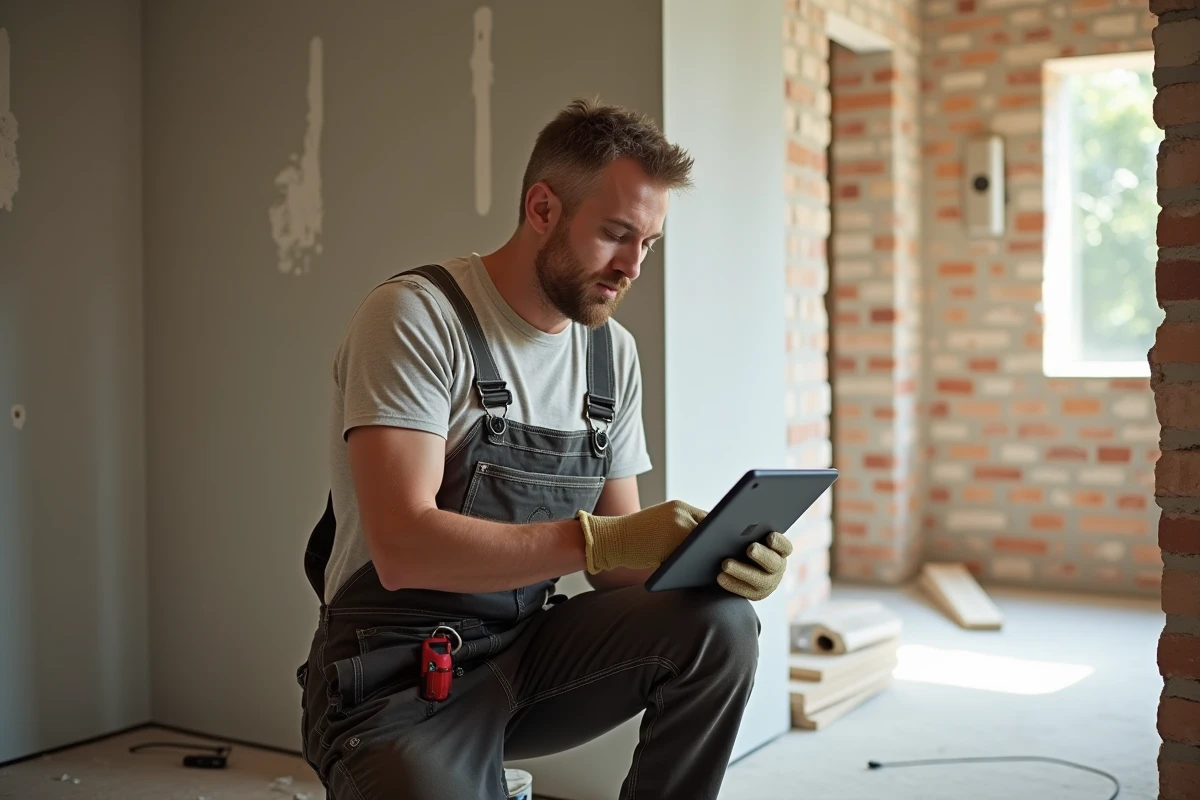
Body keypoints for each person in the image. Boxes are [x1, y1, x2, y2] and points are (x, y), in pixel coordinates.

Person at [297, 98, 794, 800]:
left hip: (522, 654)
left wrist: (715, 564)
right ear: (542, 208)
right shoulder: (415, 317)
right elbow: (403, 547)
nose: (632, 266)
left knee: (721, 625)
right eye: (616, 234)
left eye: (649, 243)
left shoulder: (610, 354)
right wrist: (602, 540)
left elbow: (616, 570)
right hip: (391, 676)